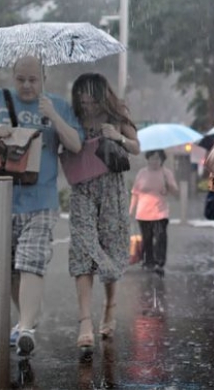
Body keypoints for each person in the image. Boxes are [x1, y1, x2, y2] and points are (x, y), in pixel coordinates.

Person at [0, 55, 83, 357]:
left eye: (33, 79)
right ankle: (28, 316)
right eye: (21, 79)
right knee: (10, 269)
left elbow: (76, 144)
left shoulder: (56, 105)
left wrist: (54, 117)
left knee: (31, 260)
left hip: (41, 200)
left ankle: (26, 329)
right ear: (12, 76)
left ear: (44, 77)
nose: (27, 85)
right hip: (0, 198)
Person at [67, 72, 140, 354]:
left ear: (101, 95)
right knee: (82, 248)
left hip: (111, 188)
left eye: (90, 98)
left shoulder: (117, 115)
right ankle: (85, 321)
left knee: (110, 246)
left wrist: (118, 137)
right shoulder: (74, 118)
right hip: (82, 188)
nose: (86, 103)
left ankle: (110, 305)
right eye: (81, 98)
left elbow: (136, 147)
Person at [130, 150, 178, 274]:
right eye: (152, 158)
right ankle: (148, 261)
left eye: (157, 158)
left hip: (160, 213)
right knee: (147, 239)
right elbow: (135, 193)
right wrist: (131, 210)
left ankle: (159, 262)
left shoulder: (166, 173)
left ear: (162, 160)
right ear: (148, 159)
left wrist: (168, 183)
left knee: (160, 238)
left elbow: (175, 191)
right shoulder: (142, 173)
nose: (155, 161)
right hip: (143, 213)